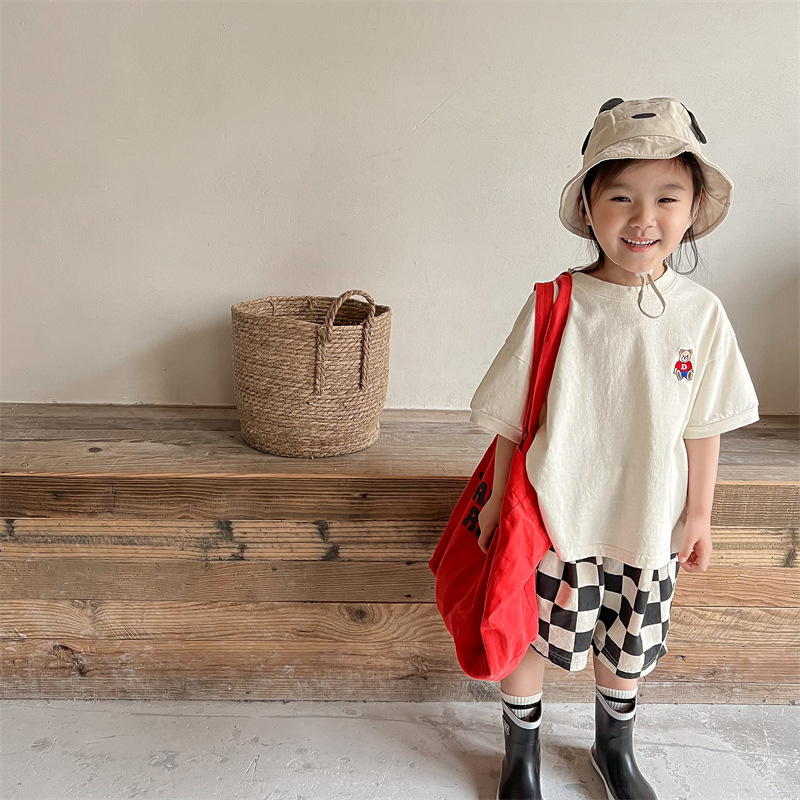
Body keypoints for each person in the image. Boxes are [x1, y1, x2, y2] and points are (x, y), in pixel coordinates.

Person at [468, 97, 760, 800]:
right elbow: (512, 417)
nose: (643, 217)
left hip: (647, 520)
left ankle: (613, 749)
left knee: (628, 643)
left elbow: (704, 423)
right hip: (555, 515)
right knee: (529, 633)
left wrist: (698, 514)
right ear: (589, 207)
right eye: (621, 196)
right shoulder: (557, 302)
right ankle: (520, 755)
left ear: (693, 209)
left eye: (667, 197)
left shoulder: (701, 314)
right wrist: (499, 503)